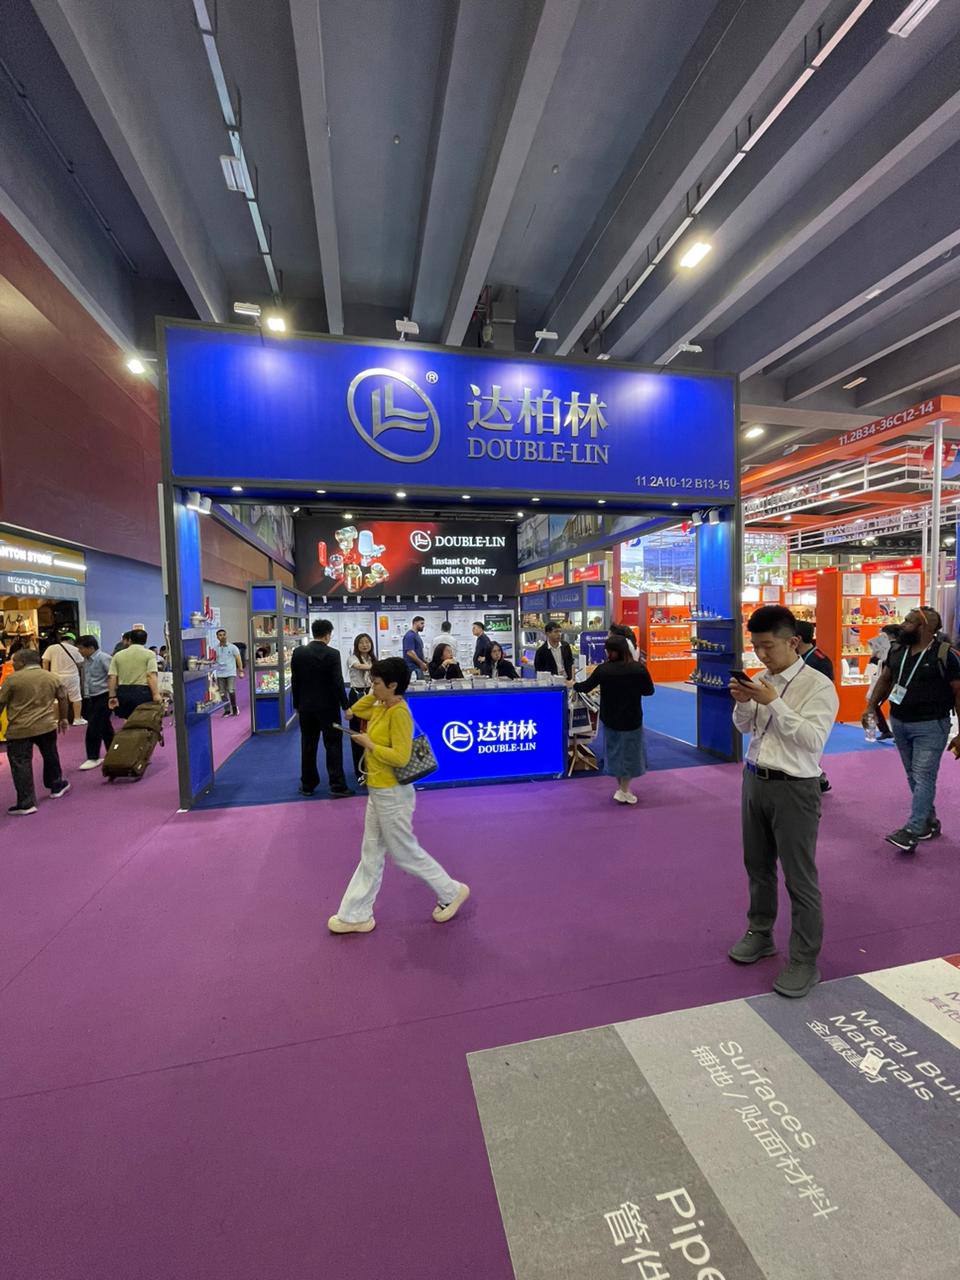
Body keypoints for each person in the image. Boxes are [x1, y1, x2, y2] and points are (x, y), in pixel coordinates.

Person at [728, 605, 838, 999]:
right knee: (757, 866)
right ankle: (760, 933)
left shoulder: (818, 686)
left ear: (793, 642)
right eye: (756, 646)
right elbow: (745, 727)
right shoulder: (761, 679)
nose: (761, 655)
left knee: (799, 876)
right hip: (754, 780)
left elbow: (812, 741)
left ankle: (805, 959)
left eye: (768, 646)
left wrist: (773, 701)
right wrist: (745, 701)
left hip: (795, 787)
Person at [327, 657, 470, 934]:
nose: (373, 687)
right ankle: (355, 914)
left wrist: (370, 744)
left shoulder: (399, 713)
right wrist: (376, 693)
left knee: (404, 852)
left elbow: (401, 757)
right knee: (371, 852)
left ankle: (451, 891)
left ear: (393, 685)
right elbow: (355, 711)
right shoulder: (381, 705)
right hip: (378, 789)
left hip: (392, 793)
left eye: (377, 683)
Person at [863, 606, 960, 852]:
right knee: (913, 776)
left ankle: (912, 830)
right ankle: (928, 822)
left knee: (923, 775)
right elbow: (886, 679)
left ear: (924, 627)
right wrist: (871, 707)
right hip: (899, 722)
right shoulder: (897, 650)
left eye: (908, 621)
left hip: (931, 725)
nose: (902, 625)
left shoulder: (946, 655)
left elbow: (959, 693)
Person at [572, 635, 654, 805]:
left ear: (611, 651)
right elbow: (649, 691)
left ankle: (623, 790)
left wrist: (572, 684)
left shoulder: (603, 669)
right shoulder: (638, 668)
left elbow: (585, 687)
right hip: (632, 718)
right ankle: (624, 790)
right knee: (631, 754)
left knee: (615, 753)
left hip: (610, 718)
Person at [0, 649, 71, 814]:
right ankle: (56, 785)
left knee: (21, 763)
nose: (12, 664)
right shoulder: (51, 677)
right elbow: (63, 698)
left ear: (22, 662)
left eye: (14, 661)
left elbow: (1, 702)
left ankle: (26, 802)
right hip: (46, 725)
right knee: (50, 755)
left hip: (20, 728)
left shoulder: (12, 680)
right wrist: (63, 718)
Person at [290, 618, 351, 798]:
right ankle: (337, 785)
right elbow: (338, 682)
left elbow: (295, 680)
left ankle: (307, 784)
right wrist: (345, 706)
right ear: (327, 635)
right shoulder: (333, 654)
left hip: (306, 707)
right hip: (329, 707)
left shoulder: (298, 652)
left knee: (308, 745)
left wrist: (297, 704)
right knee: (333, 745)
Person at [794, 620, 834, 794]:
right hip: (795, 707)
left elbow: (825, 691)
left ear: (797, 639)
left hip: (810, 710)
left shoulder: (820, 660)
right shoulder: (797, 658)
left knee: (809, 748)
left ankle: (817, 778)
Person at [76, 635, 115, 769]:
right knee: (105, 726)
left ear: (91, 647)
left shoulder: (103, 658)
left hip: (104, 695)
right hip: (91, 696)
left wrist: (112, 695)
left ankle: (93, 757)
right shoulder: (86, 660)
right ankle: (113, 752)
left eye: (81, 648)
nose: (79, 651)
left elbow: (113, 676)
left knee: (93, 726)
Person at [108, 629, 159, 720]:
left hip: (123, 692)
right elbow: (151, 675)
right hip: (142, 692)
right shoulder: (150, 654)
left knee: (127, 719)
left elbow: (112, 677)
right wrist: (156, 694)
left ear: (130, 640)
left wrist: (112, 696)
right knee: (143, 720)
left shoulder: (118, 655)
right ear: (145, 640)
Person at [42, 629, 85, 725]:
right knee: (76, 698)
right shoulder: (76, 649)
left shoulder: (51, 648)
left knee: (56, 699)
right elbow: (80, 664)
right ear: (72, 640)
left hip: (56, 676)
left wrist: (46, 675)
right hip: (72, 676)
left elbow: (45, 661)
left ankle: (56, 719)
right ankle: (77, 719)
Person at [865, 624, 900, 741]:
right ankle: (886, 731)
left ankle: (888, 732)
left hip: (892, 683)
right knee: (891, 706)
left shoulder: (897, 648)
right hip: (891, 683)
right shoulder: (889, 648)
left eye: (883, 635)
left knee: (890, 706)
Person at [348, 633, 375, 776]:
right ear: (356, 645)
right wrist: (375, 666)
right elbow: (360, 666)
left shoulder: (372, 658)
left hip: (371, 695)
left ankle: (370, 767)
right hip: (357, 695)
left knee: (371, 731)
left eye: (367, 642)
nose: (365, 645)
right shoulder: (352, 658)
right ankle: (359, 771)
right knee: (357, 731)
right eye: (362, 642)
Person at [213, 628, 243, 716]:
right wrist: (212, 673)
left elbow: (238, 659)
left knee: (231, 690)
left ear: (226, 636)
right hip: (220, 674)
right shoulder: (215, 649)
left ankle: (234, 708)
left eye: (224, 635)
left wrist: (240, 670)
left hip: (231, 672)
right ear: (217, 637)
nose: (222, 637)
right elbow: (213, 661)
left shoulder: (233, 647)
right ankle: (227, 710)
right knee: (222, 693)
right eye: (220, 635)